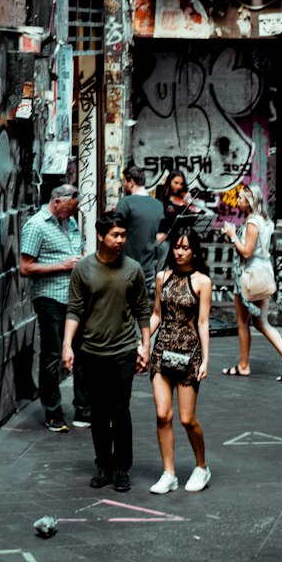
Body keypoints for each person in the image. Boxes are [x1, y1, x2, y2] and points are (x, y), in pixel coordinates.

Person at [62, 212, 150, 493]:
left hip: (124, 349)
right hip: (91, 351)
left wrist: (145, 345)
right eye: (115, 235)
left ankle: (122, 468)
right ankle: (104, 465)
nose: (120, 240)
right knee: (98, 412)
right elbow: (74, 309)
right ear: (100, 236)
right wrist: (67, 344)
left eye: (123, 235)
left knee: (120, 410)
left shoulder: (133, 269)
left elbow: (142, 311)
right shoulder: (84, 269)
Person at [19, 184, 88, 432]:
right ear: (57, 200)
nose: (72, 214)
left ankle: (83, 408)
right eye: (70, 208)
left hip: (75, 299)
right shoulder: (36, 225)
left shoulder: (70, 223)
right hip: (49, 298)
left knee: (82, 352)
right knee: (52, 354)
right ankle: (52, 410)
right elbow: (25, 268)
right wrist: (62, 266)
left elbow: (76, 252)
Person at [148, 229, 212, 494]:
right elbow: (155, 315)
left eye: (185, 248)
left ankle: (202, 466)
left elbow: (203, 322)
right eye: (176, 247)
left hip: (189, 355)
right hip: (162, 351)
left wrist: (206, 359)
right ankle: (169, 473)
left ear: (194, 250)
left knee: (187, 419)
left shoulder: (202, 281)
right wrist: (143, 342)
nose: (180, 252)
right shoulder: (162, 277)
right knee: (163, 415)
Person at [221, 182, 282, 382]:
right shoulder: (265, 221)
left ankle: (245, 365)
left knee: (243, 322)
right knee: (260, 321)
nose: (236, 200)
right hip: (263, 273)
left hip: (249, 277)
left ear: (249, 201)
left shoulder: (252, 223)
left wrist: (231, 236)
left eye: (240, 197)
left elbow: (246, 251)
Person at [118, 165, 167, 295]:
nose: (123, 184)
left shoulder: (125, 202)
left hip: (126, 266)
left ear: (131, 182)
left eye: (124, 181)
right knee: (140, 308)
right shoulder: (158, 205)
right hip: (148, 267)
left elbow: (115, 230)